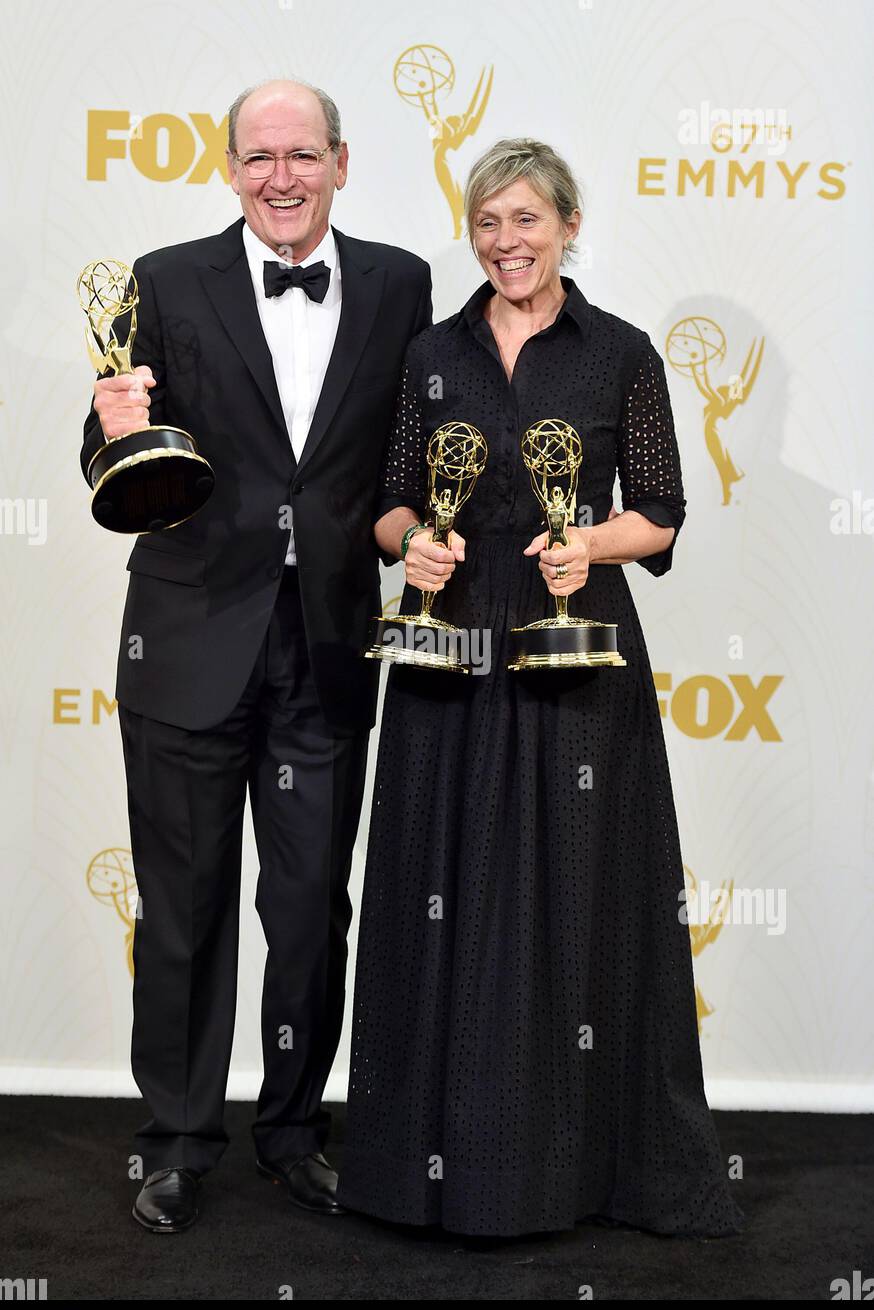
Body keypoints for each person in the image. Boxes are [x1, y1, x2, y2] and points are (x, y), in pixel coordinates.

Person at [337, 138, 745, 1239]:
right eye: (487, 223)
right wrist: (414, 540)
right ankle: (423, 1167)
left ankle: (576, 1169)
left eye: (525, 220)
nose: (506, 242)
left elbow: (659, 513)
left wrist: (590, 545)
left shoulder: (619, 354)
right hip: (450, 654)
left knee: (576, 898)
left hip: (577, 653)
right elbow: (386, 499)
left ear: (567, 223)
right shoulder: (429, 351)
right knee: (439, 886)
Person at [79, 78, 432, 1232]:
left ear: (341, 159)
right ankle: (177, 1139)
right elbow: (115, 450)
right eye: (257, 157)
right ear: (229, 169)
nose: (280, 177)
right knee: (183, 907)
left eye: (301, 154)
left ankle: (291, 1128)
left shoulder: (398, 283)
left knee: (309, 906)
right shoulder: (164, 279)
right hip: (189, 637)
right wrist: (111, 426)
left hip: (327, 641)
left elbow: (402, 459)